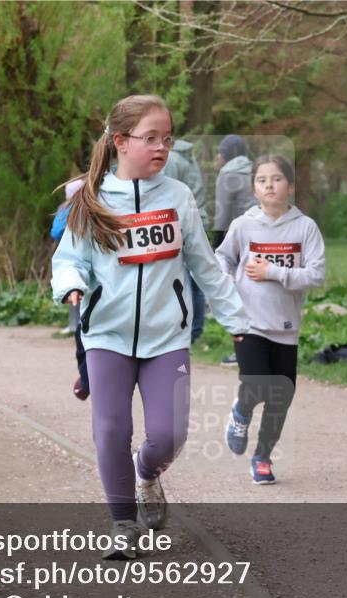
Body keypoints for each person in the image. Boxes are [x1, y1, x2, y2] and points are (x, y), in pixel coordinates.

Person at [52, 94, 248, 558]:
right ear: (120, 141)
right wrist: (72, 285)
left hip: (166, 337)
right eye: (151, 138)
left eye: (167, 138)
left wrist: (237, 319)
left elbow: (204, 265)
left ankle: (147, 473)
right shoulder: (92, 198)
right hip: (107, 334)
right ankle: (123, 524)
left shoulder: (178, 197)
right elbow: (70, 259)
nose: (162, 147)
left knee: (168, 435)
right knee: (111, 430)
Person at [216, 155, 325, 484]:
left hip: (285, 326)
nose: (269, 185)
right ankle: (241, 411)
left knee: (281, 395)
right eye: (262, 180)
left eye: (276, 179)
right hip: (248, 321)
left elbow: (316, 275)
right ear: (254, 189)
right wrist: (227, 280)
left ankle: (262, 457)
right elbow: (222, 258)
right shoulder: (243, 225)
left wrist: (273, 272)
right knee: (258, 383)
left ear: (290, 186)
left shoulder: (305, 227)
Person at [213, 135, 257, 365]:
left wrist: (217, 242)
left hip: (240, 238)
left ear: (227, 154)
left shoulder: (227, 173)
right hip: (265, 234)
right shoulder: (255, 169)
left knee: (240, 296)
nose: (218, 156)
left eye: (220, 152)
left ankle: (243, 352)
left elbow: (222, 212)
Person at [162, 138, 209, 344]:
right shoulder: (187, 158)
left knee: (185, 279)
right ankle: (194, 328)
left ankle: (190, 329)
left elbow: (166, 196)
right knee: (195, 278)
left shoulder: (172, 160)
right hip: (197, 218)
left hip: (184, 222)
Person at [51, 179, 90, 400]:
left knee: (79, 301)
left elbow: (54, 231)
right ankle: (86, 380)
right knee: (75, 297)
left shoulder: (98, 208)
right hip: (69, 259)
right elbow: (56, 231)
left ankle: (73, 323)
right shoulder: (68, 209)